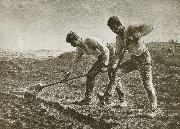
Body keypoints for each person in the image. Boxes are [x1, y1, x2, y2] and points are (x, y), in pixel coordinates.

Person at [102, 16, 157, 111]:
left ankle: (153, 107)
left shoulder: (131, 28)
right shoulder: (118, 38)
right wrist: (114, 66)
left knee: (147, 84)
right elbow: (118, 53)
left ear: (119, 25)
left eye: (115, 28)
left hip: (144, 58)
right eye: (112, 29)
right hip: (133, 60)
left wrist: (140, 33)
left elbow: (150, 27)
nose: (114, 30)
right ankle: (109, 97)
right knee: (116, 73)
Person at [66, 31, 116, 105]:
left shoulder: (90, 40)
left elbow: (106, 50)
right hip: (102, 57)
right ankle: (88, 99)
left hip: (111, 53)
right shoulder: (79, 49)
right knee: (90, 75)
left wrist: (105, 65)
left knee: (113, 76)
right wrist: (69, 73)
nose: (72, 45)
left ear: (76, 39)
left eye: (72, 42)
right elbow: (75, 61)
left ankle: (119, 99)